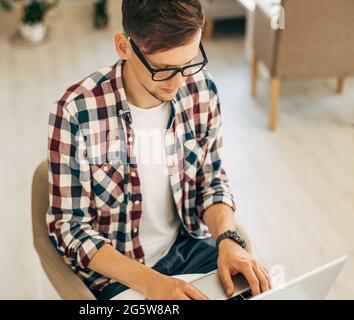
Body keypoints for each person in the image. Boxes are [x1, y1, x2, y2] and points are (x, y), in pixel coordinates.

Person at [47, 0, 271, 300]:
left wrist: (228, 239)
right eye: (164, 69)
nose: (179, 82)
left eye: (189, 62)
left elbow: (211, 180)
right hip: (119, 275)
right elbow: (70, 228)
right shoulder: (77, 112)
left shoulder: (200, 88)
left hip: (188, 248)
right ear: (124, 47)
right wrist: (152, 283)